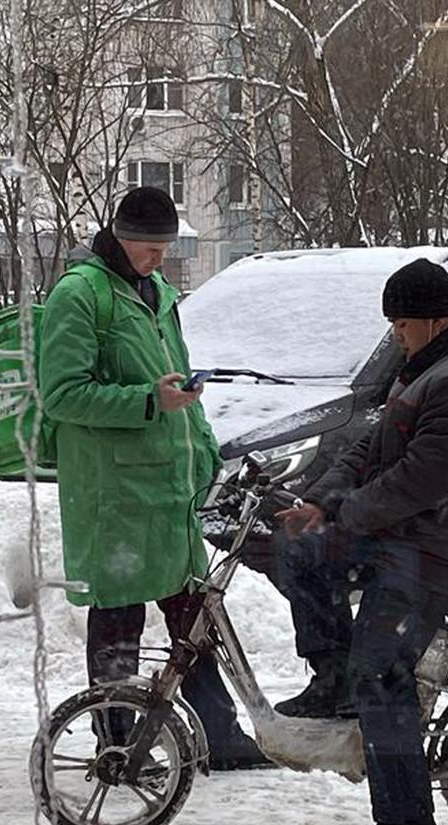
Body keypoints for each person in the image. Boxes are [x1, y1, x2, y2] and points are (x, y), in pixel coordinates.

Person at [272, 258, 448, 825]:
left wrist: (347, 515)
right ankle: (332, 682)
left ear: (436, 321)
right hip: (416, 533)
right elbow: (369, 447)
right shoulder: (427, 367)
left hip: (446, 546)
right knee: (301, 553)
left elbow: (420, 480)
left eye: (401, 325)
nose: (395, 336)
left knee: (380, 669)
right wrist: (319, 501)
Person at [38, 186, 272, 771]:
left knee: (192, 613)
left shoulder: (158, 293)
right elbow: (62, 394)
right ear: (120, 236)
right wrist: (149, 402)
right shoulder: (81, 295)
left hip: (170, 486)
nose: (159, 258)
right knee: (119, 613)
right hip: (114, 491)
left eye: (165, 247)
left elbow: (177, 382)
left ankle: (219, 734)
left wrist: (202, 444)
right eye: (150, 247)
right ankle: (118, 743)